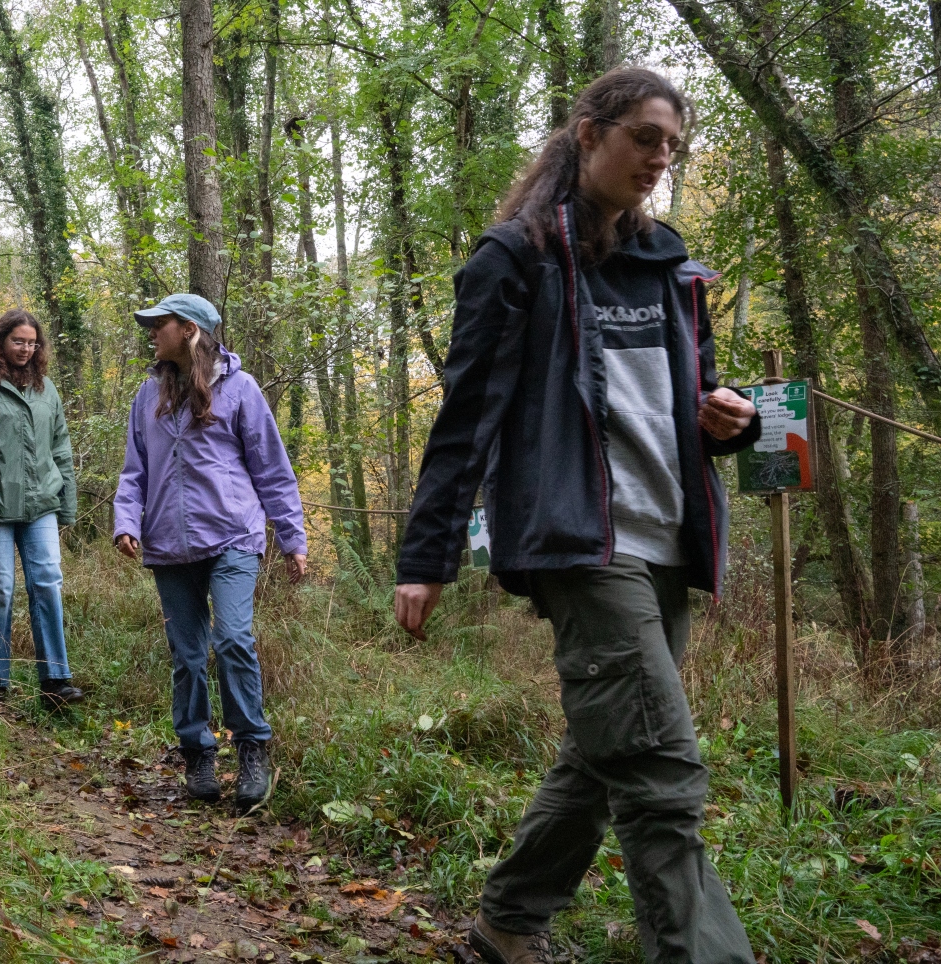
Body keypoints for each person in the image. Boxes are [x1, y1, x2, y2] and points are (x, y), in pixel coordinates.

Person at [391, 69, 760, 964]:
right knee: (662, 772)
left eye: (672, 143)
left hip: (670, 534)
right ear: (588, 134)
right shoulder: (514, 259)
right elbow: (469, 416)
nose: (660, 157)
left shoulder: (671, 263)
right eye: (644, 136)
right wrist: (427, 553)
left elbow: (681, 402)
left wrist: (723, 419)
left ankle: (507, 923)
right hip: (578, 540)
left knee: (604, 752)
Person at [113, 293, 306, 812]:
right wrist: (126, 523)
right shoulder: (147, 395)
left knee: (234, 639)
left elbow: (272, 468)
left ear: (191, 330)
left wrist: (292, 538)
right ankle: (197, 753)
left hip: (232, 537)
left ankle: (251, 751)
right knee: (188, 655)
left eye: (161, 324)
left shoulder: (240, 390)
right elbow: (135, 471)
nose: (152, 332)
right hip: (169, 545)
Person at [0, 310, 82, 711]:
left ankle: (56, 680)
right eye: (18, 341)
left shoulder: (46, 388)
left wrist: (67, 505)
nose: (26, 349)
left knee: (48, 583)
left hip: (41, 504)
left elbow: (61, 446)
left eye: (32, 343)